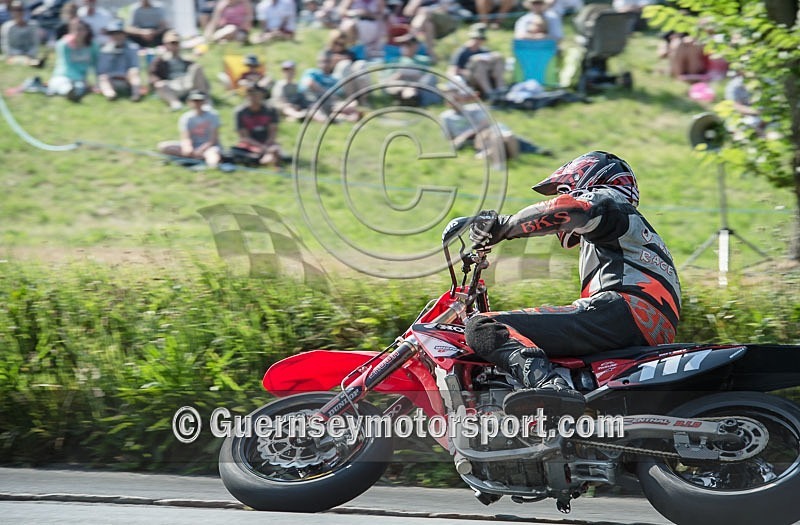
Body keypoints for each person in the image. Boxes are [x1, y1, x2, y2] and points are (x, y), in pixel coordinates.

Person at [465, 151, 681, 417]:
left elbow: (573, 209)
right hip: (639, 322)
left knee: (485, 326)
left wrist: (504, 226)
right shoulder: (626, 232)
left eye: (565, 190)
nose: (560, 197)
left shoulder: (609, 200)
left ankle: (551, 388)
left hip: (622, 312)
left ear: (590, 181)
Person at [158, 89, 222, 168]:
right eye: (194, 100)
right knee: (163, 146)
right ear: (189, 102)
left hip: (209, 147)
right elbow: (185, 137)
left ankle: (205, 163)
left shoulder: (213, 115)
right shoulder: (186, 117)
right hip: (193, 146)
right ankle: (194, 158)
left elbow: (213, 140)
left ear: (204, 101)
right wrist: (188, 147)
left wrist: (201, 150)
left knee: (213, 158)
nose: (197, 103)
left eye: (199, 100)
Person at [148, 29, 211, 110]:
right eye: (172, 43)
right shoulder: (160, 60)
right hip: (172, 85)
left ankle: (206, 101)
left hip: (187, 83)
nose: (174, 46)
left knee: (197, 68)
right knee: (160, 85)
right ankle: (175, 103)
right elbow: (153, 75)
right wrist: (157, 82)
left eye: (176, 43)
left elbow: (197, 74)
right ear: (166, 45)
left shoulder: (186, 59)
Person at [448, 23, 506, 101]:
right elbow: (452, 71)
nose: (478, 41)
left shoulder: (484, 51)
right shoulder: (462, 52)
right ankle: (489, 93)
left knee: (497, 58)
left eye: (481, 39)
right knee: (479, 63)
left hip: (487, 77)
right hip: (470, 79)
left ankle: (501, 89)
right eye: (476, 38)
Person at [233, 83, 283, 167]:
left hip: (268, 142)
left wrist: (266, 145)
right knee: (251, 153)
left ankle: (269, 158)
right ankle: (265, 159)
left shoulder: (271, 110)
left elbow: (273, 132)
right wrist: (262, 147)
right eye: (251, 94)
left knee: (274, 149)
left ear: (262, 95)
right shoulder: (240, 112)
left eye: (256, 94)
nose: (253, 97)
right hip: (250, 144)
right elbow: (244, 137)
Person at [47, 17, 97, 100]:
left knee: (80, 86)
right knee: (61, 84)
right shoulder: (64, 44)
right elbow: (66, 65)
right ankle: (68, 92)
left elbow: (95, 64)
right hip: (64, 75)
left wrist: (92, 80)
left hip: (82, 78)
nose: (78, 32)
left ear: (87, 31)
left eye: (81, 29)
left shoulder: (93, 46)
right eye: (76, 30)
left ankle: (73, 93)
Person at [96, 19, 142, 101]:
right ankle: (111, 94)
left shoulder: (132, 48)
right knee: (103, 77)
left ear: (124, 34)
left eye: (119, 33)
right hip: (111, 79)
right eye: (114, 34)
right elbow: (101, 71)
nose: (117, 36)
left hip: (127, 79)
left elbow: (135, 66)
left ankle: (136, 95)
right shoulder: (104, 50)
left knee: (134, 72)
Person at [1, 1, 41, 66]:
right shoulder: (7, 27)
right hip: (13, 55)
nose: (18, 12)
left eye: (20, 9)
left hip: (30, 55)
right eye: (15, 10)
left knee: (30, 59)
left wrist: (29, 54)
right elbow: (6, 46)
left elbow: (35, 43)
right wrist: (20, 54)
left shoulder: (33, 25)